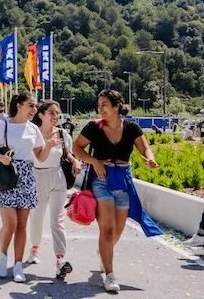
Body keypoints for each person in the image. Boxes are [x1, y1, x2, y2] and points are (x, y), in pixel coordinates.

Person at [73, 89, 161, 293]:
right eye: (99, 105)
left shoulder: (131, 128)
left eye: (104, 104)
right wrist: (94, 161)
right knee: (107, 229)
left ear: (116, 106)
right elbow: (77, 148)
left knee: (118, 230)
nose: (100, 108)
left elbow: (144, 148)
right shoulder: (94, 127)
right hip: (101, 180)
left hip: (122, 180)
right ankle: (110, 274)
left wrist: (150, 159)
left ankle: (104, 252)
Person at [0, 92, 44, 283]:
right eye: (31, 105)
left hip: (27, 176)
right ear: (19, 105)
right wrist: (2, 159)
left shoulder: (34, 128)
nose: (34, 109)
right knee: (10, 224)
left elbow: (40, 155)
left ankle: (18, 265)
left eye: (35, 106)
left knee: (22, 225)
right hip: (6, 175)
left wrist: (51, 145)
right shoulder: (3, 125)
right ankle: (2, 255)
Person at [27, 100, 81, 278]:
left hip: (58, 178)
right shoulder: (33, 133)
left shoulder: (63, 133)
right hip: (37, 177)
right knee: (37, 217)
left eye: (57, 113)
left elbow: (67, 153)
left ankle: (60, 259)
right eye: (51, 112)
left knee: (57, 220)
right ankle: (35, 249)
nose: (55, 116)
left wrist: (74, 161)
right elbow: (39, 158)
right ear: (41, 115)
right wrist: (48, 145)